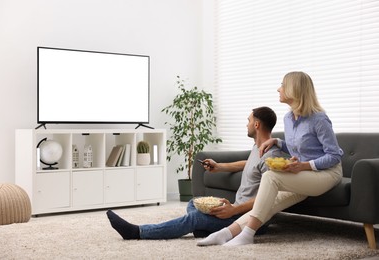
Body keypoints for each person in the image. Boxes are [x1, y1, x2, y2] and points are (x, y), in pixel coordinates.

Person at [197, 71, 343, 247]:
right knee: (271, 201)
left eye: (282, 85)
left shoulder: (319, 119)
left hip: (326, 174)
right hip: (306, 176)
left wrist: (304, 165)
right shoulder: (288, 118)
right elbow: (301, 147)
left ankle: (248, 234)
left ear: (293, 89)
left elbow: (334, 156)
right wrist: (278, 141)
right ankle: (226, 233)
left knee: (270, 176)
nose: (278, 89)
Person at [106, 106, 280, 240]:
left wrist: (234, 210)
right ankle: (204, 229)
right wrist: (218, 166)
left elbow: (268, 197)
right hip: (236, 210)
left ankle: (138, 232)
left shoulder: (270, 156)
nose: (246, 124)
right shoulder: (258, 147)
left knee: (195, 217)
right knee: (193, 203)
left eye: (248, 121)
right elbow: (248, 164)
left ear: (256, 124)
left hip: (250, 219)